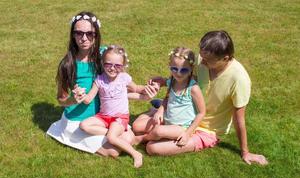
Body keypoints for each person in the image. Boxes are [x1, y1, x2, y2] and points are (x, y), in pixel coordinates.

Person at [133, 31, 268, 165]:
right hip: (185, 116)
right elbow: (184, 80)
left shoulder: (239, 79)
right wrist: (163, 81)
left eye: (207, 60)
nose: (201, 61)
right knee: (137, 127)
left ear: (225, 58)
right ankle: (160, 107)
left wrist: (245, 152)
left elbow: (239, 119)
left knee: (152, 147)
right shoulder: (202, 59)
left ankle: (156, 112)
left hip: (207, 130)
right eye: (201, 55)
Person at [46, 11, 158, 158]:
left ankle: (118, 134)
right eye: (79, 33)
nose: (84, 38)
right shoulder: (67, 65)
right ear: (73, 35)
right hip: (80, 121)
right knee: (113, 151)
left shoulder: (104, 57)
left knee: (125, 140)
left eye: (89, 33)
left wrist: (145, 91)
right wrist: (72, 100)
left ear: (96, 35)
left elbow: (115, 88)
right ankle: (116, 135)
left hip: (103, 116)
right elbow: (61, 100)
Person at [79, 45, 155, 168]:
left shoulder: (124, 78)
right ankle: (115, 134)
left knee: (111, 138)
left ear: (123, 66)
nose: (112, 68)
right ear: (102, 63)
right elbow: (88, 100)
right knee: (84, 125)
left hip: (119, 118)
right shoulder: (99, 80)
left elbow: (136, 88)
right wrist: (80, 94)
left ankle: (135, 154)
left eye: (117, 65)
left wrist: (147, 89)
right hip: (103, 116)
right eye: (108, 64)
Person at [138, 47, 208, 153]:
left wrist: (187, 133)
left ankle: (142, 139)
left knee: (157, 132)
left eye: (183, 70)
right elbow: (167, 97)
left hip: (181, 127)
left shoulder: (193, 88)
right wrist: (161, 110)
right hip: (167, 120)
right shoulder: (172, 81)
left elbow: (202, 113)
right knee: (136, 126)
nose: (178, 73)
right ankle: (153, 112)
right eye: (174, 69)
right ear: (170, 66)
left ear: (191, 69)